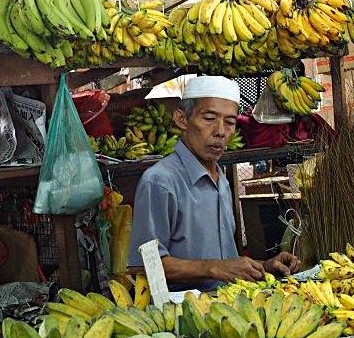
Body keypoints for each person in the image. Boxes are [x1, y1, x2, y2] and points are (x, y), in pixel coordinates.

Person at [127, 76, 300, 290]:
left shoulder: (221, 182)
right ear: (182, 120)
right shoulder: (160, 181)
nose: (220, 131)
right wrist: (214, 269)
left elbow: (225, 263)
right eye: (209, 119)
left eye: (229, 122)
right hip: (183, 314)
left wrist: (263, 267)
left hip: (225, 307)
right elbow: (142, 266)